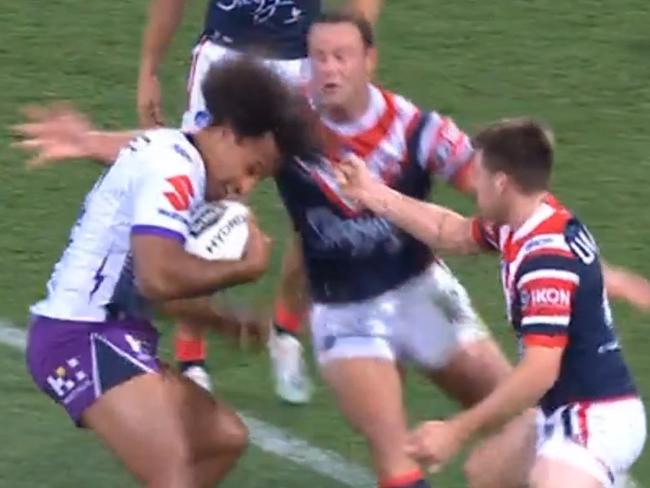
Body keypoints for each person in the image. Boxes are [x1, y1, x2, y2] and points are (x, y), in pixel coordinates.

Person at [16, 13, 650, 488]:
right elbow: (174, 145)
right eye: (317, 56)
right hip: (345, 310)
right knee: (396, 445)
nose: (328, 68)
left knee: (510, 426)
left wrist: (580, 259)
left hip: (419, 289)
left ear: (370, 58)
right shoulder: (295, 132)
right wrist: (89, 138)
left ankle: (583, 465)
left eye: (343, 55)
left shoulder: (415, 128)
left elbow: (499, 204)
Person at [21, 57, 316, 487]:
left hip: (115, 335)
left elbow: (155, 291)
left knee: (223, 439)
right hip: (80, 337)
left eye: (261, 179)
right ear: (228, 133)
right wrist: (242, 269)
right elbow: (156, 277)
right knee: (171, 475)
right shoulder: (176, 169)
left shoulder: (179, 158)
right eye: (251, 168)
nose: (246, 187)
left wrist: (223, 320)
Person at [335, 118, 649, 488]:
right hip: (560, 410)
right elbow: (446, 231)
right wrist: (373, 193)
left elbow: (539, 372)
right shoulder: (527, 218)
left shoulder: (544, 261)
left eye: (479, 174)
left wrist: (456, 431)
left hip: (593, 418)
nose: (473, 183)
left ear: (501, 183)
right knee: (486, 474)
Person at [138, 0, 383, 400]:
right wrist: (149, 67)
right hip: (223, 58)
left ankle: (285, 330)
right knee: (202, 207)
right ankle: (190, 356)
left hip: (301, 66)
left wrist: (348, 62)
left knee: (327, 211)